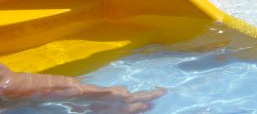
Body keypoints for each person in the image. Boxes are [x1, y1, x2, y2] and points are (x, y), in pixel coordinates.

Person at [0, 62, 164, 112]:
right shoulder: (8, 80)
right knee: (81, 104)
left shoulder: (8, 84)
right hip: (58, 87)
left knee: (86, 103)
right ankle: (135, 100)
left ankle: (133, 101)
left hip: (59, 91)